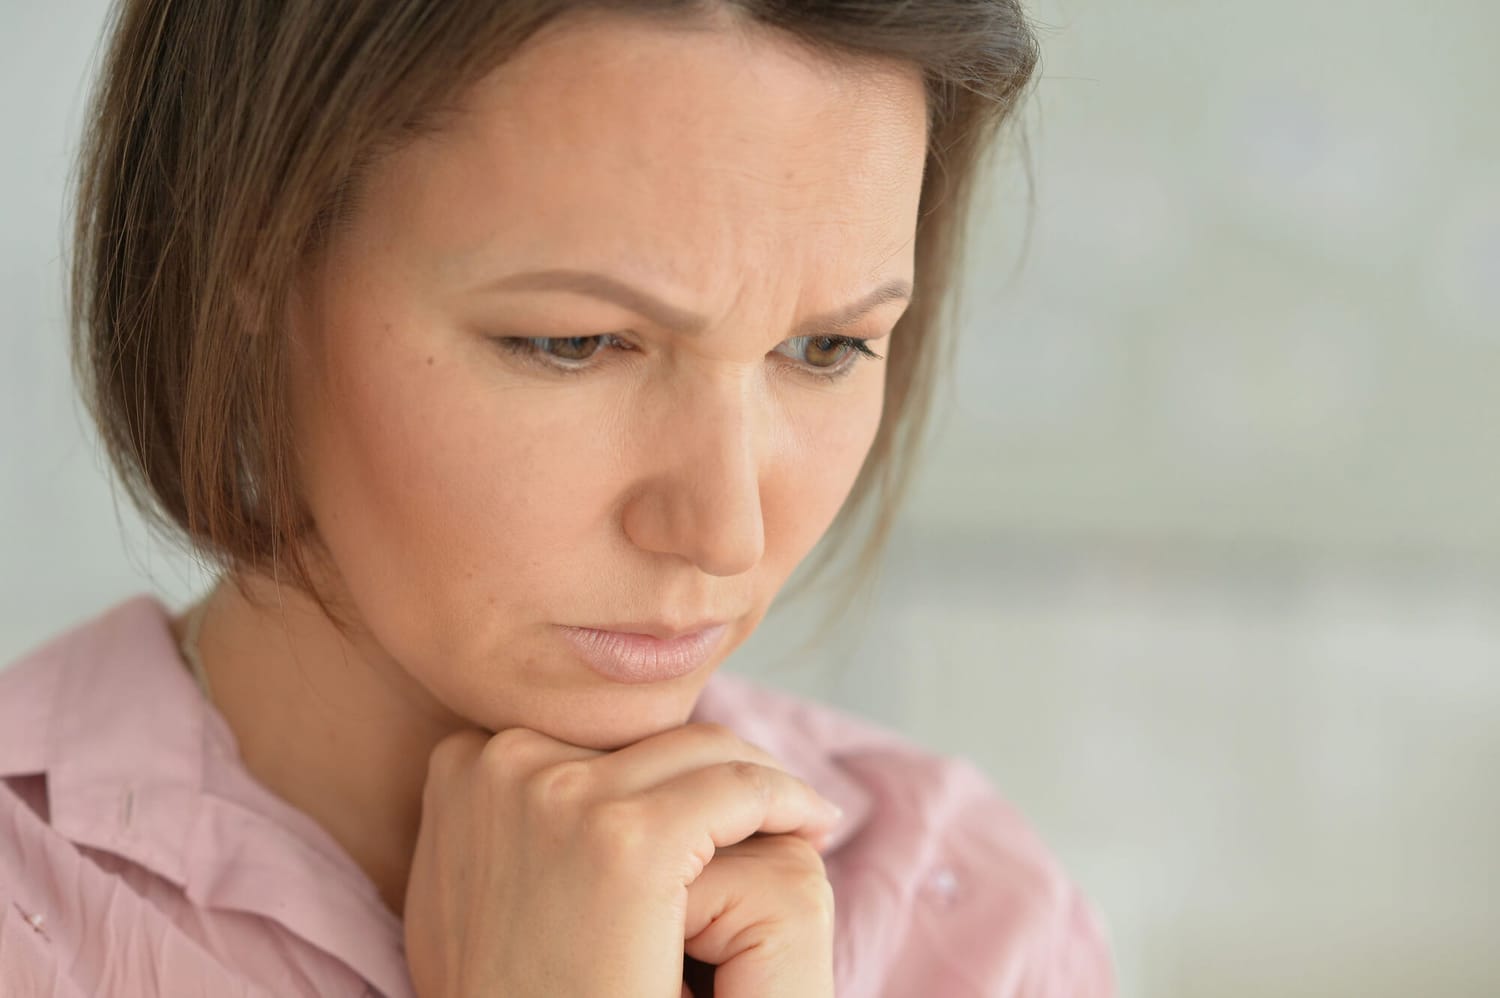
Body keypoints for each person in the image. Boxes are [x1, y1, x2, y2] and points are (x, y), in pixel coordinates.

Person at [0, 1, 1114, 995]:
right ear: (250, 243)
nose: (725, 529)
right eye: (575, 341)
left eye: (825, 347)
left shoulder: (970, 927)